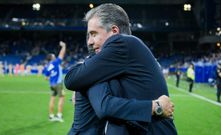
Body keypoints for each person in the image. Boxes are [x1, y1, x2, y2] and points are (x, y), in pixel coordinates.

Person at [65, 3, 177, 135]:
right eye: (88, 36)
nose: (89, 41)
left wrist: (155, 107)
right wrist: (154, 107)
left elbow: (72, 79)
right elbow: (104, 105)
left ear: (114, 31)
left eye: (94, 34)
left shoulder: (123, 44)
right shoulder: (114, 62)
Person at [44, 41, 66, 122]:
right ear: (52, 58)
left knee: (52, 98)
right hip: (58, 83)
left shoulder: (47, 66)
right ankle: (59, 115)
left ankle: (51, 115)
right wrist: (64, 46)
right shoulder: (56, 62)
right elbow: (62, 54)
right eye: (54, 56)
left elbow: (46, 78)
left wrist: (52, 77)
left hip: (52, 84)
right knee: (62, 97)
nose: (55, 56)